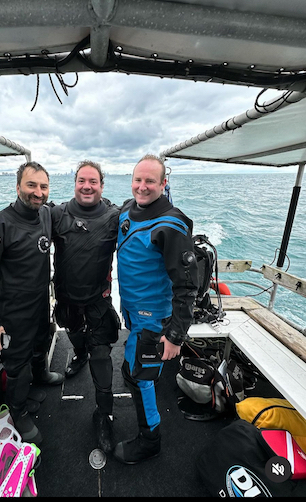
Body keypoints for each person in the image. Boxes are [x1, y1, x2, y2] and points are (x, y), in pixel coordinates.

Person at [0, 161, 62, 446]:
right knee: (17, 364)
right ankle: (18, 411)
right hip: (11, 310)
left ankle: (40, 375)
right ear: (18, 187)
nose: (38, 192)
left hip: (39, 301)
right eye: (31, 185)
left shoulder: (45, 215)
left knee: (41, 341)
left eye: (43, 186)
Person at [114, 154, 199, 464]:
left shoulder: (171, 225)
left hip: (153, 319)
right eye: (138, 179)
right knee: (134, 364)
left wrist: (176, 336)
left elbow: (187, 286)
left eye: (150, 181)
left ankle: (150, 439)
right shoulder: (127, 209)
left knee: (142, 378)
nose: (142, 186)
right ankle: (133, 368)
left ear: (164, 183)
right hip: (133, 311)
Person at [51, 160, 120, 453]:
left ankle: (104, 413)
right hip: (67, 298)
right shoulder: (56, 214)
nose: (87, 186)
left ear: (102, 185)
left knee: (101, 355)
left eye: (93, 181)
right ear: (74, 183)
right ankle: (79, 353)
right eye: (82, 180)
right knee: (73, 333)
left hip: (98, 300)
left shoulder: (116, 216)